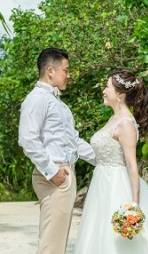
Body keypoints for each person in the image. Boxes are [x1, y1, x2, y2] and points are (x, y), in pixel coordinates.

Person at [73, 70, 148, 253]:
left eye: (107, 87)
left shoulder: (126, 124)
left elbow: (132, 165)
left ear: (120, 94)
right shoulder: (114, 119)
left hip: (116, 186)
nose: (104, 91)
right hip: (101, 185)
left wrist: (134, 205)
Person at [18, 48, 96, 254]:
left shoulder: (59, 104)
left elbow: (74, 142)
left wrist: (104, 159)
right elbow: (27, 139)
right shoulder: (37, 99)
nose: (69, 75)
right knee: (51, 246)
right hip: (55, 176)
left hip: (64, 175)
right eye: (66, 70)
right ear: (50, 71)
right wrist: (52, 172)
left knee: (57, 244)